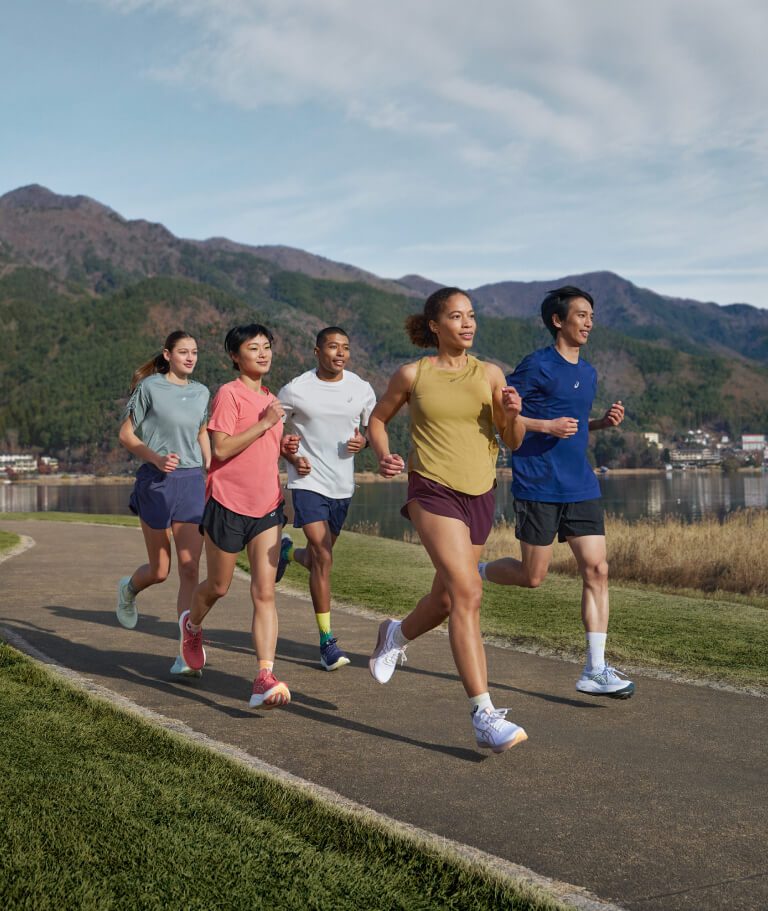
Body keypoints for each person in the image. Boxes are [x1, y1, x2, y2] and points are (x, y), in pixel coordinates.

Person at [367, 287, 528, 753]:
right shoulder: (412, 374)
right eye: (456, 317)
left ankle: (395, 634)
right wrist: (384, 455)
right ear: (435, 326)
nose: (467, 324)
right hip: (431, 490)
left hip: (480, 494)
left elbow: (512, 440)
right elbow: (378, 420)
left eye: (472, 316)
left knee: (443, 600)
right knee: (468, 593)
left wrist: (513, 414)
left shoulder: (491, 374)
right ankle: (483, 714)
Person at [478, 286, 634, 699]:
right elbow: (502, 414)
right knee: (533, 576)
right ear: (557, 320)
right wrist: (545, 426)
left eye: (591, 316)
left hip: (580, 483)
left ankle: (595, 669)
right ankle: (473, 573)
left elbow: (574, 423)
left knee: (597, 570)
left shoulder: (590, 373)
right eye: (580, 315)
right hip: (539, 483)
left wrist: (599, 424)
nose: (588, 322)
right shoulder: (536, 366)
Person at [178, 324, 299, 710]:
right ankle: (192, 627)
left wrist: (288, 449)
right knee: (217, 586)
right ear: (235, 355)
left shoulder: (271, 399)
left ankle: (265, 675)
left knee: (265, 592)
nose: (263, 354)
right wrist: (265, 423)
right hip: (228, 504)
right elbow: (222, 448)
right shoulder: (228, 395)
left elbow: (266, 449)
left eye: (267, 347)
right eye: (253, 348)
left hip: (267, 508)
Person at [277, 327, 377, 671]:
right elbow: (274, 431)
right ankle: (327, 642)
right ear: (317, 351)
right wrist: (290, 457)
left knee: (322, 557)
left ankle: (287, 552)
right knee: (322, 554)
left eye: (346, 348)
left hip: (343, 486)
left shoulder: (361, 389)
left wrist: (364, 443)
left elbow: (369, 430)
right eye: (333, 347)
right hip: (307, 482)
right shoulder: (296, 389)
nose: (340, 353)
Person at [116, 330, 211, 678]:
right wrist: (155, 458)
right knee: (160, 570)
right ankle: (129, 589)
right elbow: (126, 434)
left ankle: (186, 651)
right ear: (167, 355)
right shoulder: (150, 388)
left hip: (191, 483)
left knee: (190, 568)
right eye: (183, 352)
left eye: (195, 352)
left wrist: (211, 471)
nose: (190, 357)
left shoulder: (202, 392)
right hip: (155, 482)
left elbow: (202, 433)